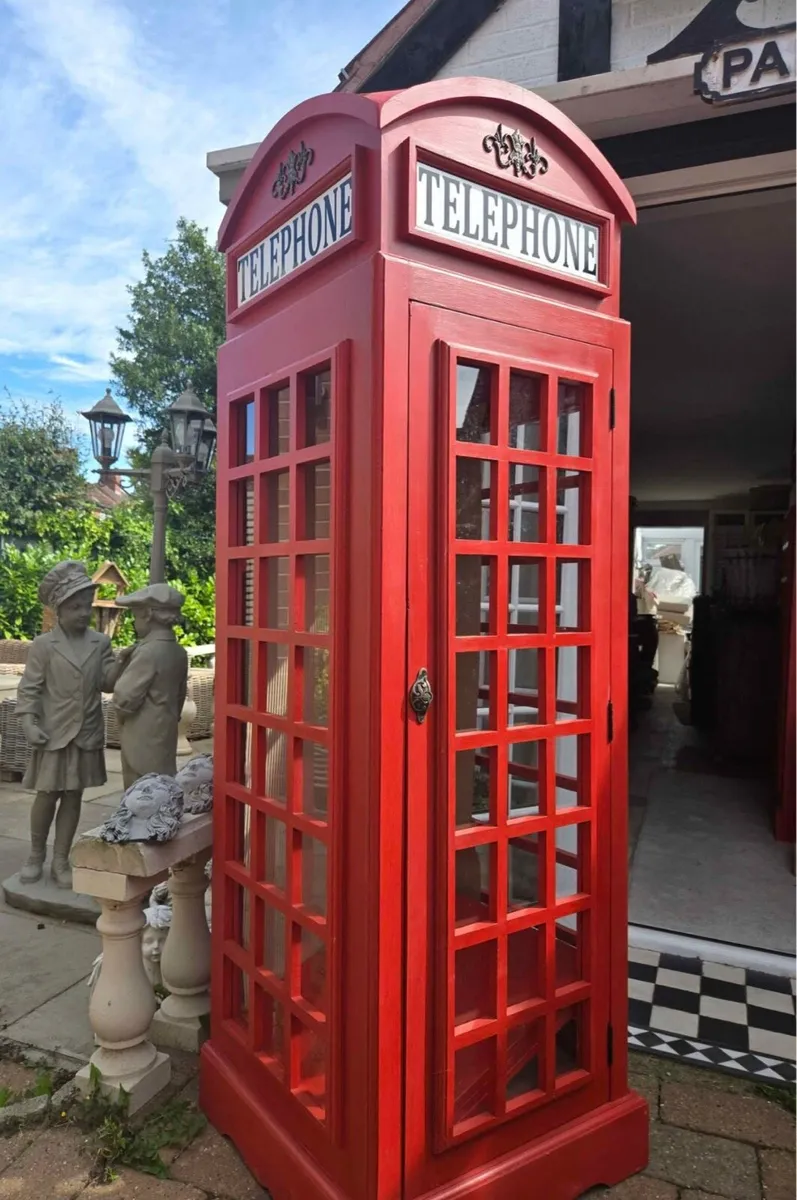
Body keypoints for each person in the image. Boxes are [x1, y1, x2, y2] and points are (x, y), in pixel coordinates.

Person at [15, 561, 125, 888]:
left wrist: (122, 664)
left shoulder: (100, 643)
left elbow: (106, 683)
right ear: (59, 610)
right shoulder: (44, 646)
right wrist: (28, 721)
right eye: (74, 607)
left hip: (86, 732)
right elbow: (30, 688)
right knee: (47, 794)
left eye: (86, 606)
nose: (82, 613)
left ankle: (61, 859)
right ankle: (36, 855)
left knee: (73, 796)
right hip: (53, 732)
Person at [112, 584, 189, 789]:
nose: (135, 623)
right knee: (162, 783)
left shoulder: (147, 653)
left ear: (147, 616)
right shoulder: (178, 652)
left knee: (139, 789)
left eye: (136, 617)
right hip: (165, 729)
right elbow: (181, 693)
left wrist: (120, 713)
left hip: (142, 734)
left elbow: (124, 697)